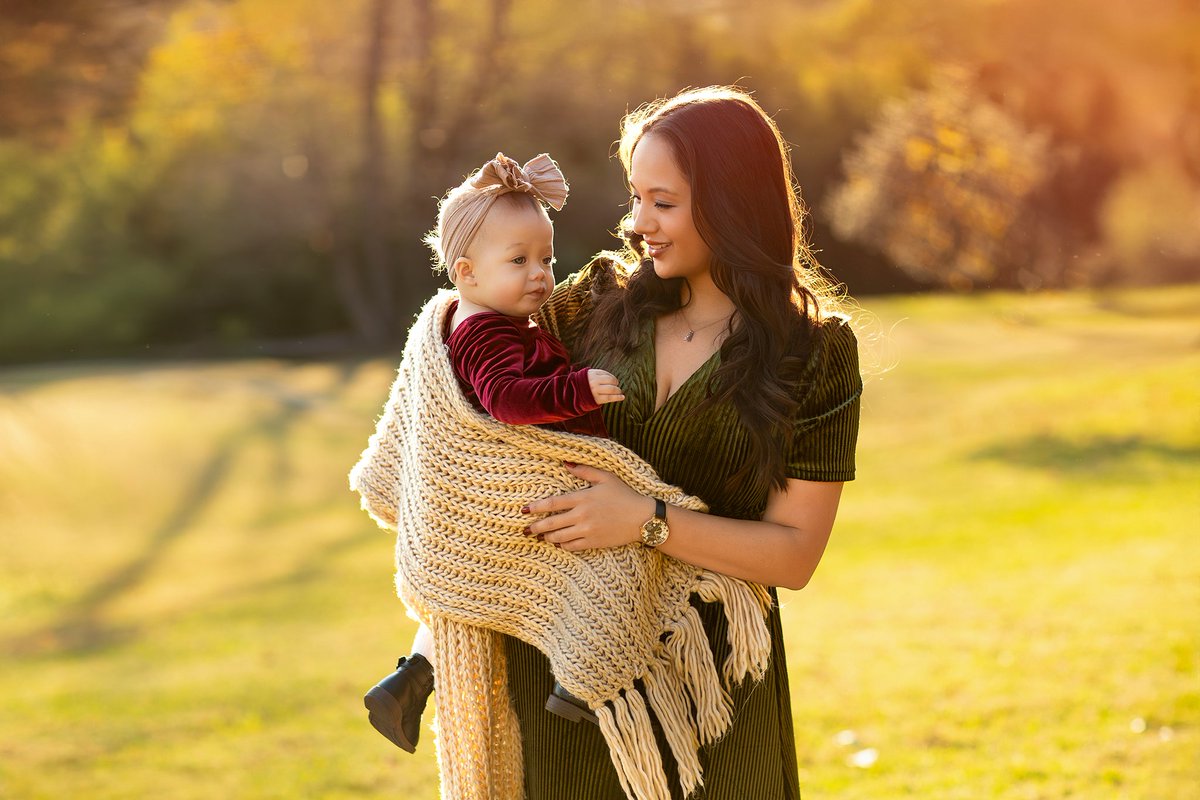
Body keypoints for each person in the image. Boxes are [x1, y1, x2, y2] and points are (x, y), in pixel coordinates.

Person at [504, 85, 863, 799]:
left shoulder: (813, 352)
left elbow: (794, 555)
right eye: (636, 198)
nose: (639, 223)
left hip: (713, 685)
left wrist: (646, 521)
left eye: (662, 202)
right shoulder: (591, 305)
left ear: (730, 202)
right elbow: (468, 357)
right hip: (563, 678)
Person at [361, 152, 625, 754]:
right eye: (519, 261)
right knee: (606, 563)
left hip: (499, 490)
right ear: (467, 272)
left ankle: (410, 679)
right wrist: (576, 389)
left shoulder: (487, 316)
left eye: (547, 258)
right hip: (508, 484)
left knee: (470, 589)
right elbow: (506, 401)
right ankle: (581, 682)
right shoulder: (482, 332)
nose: (540, 274)